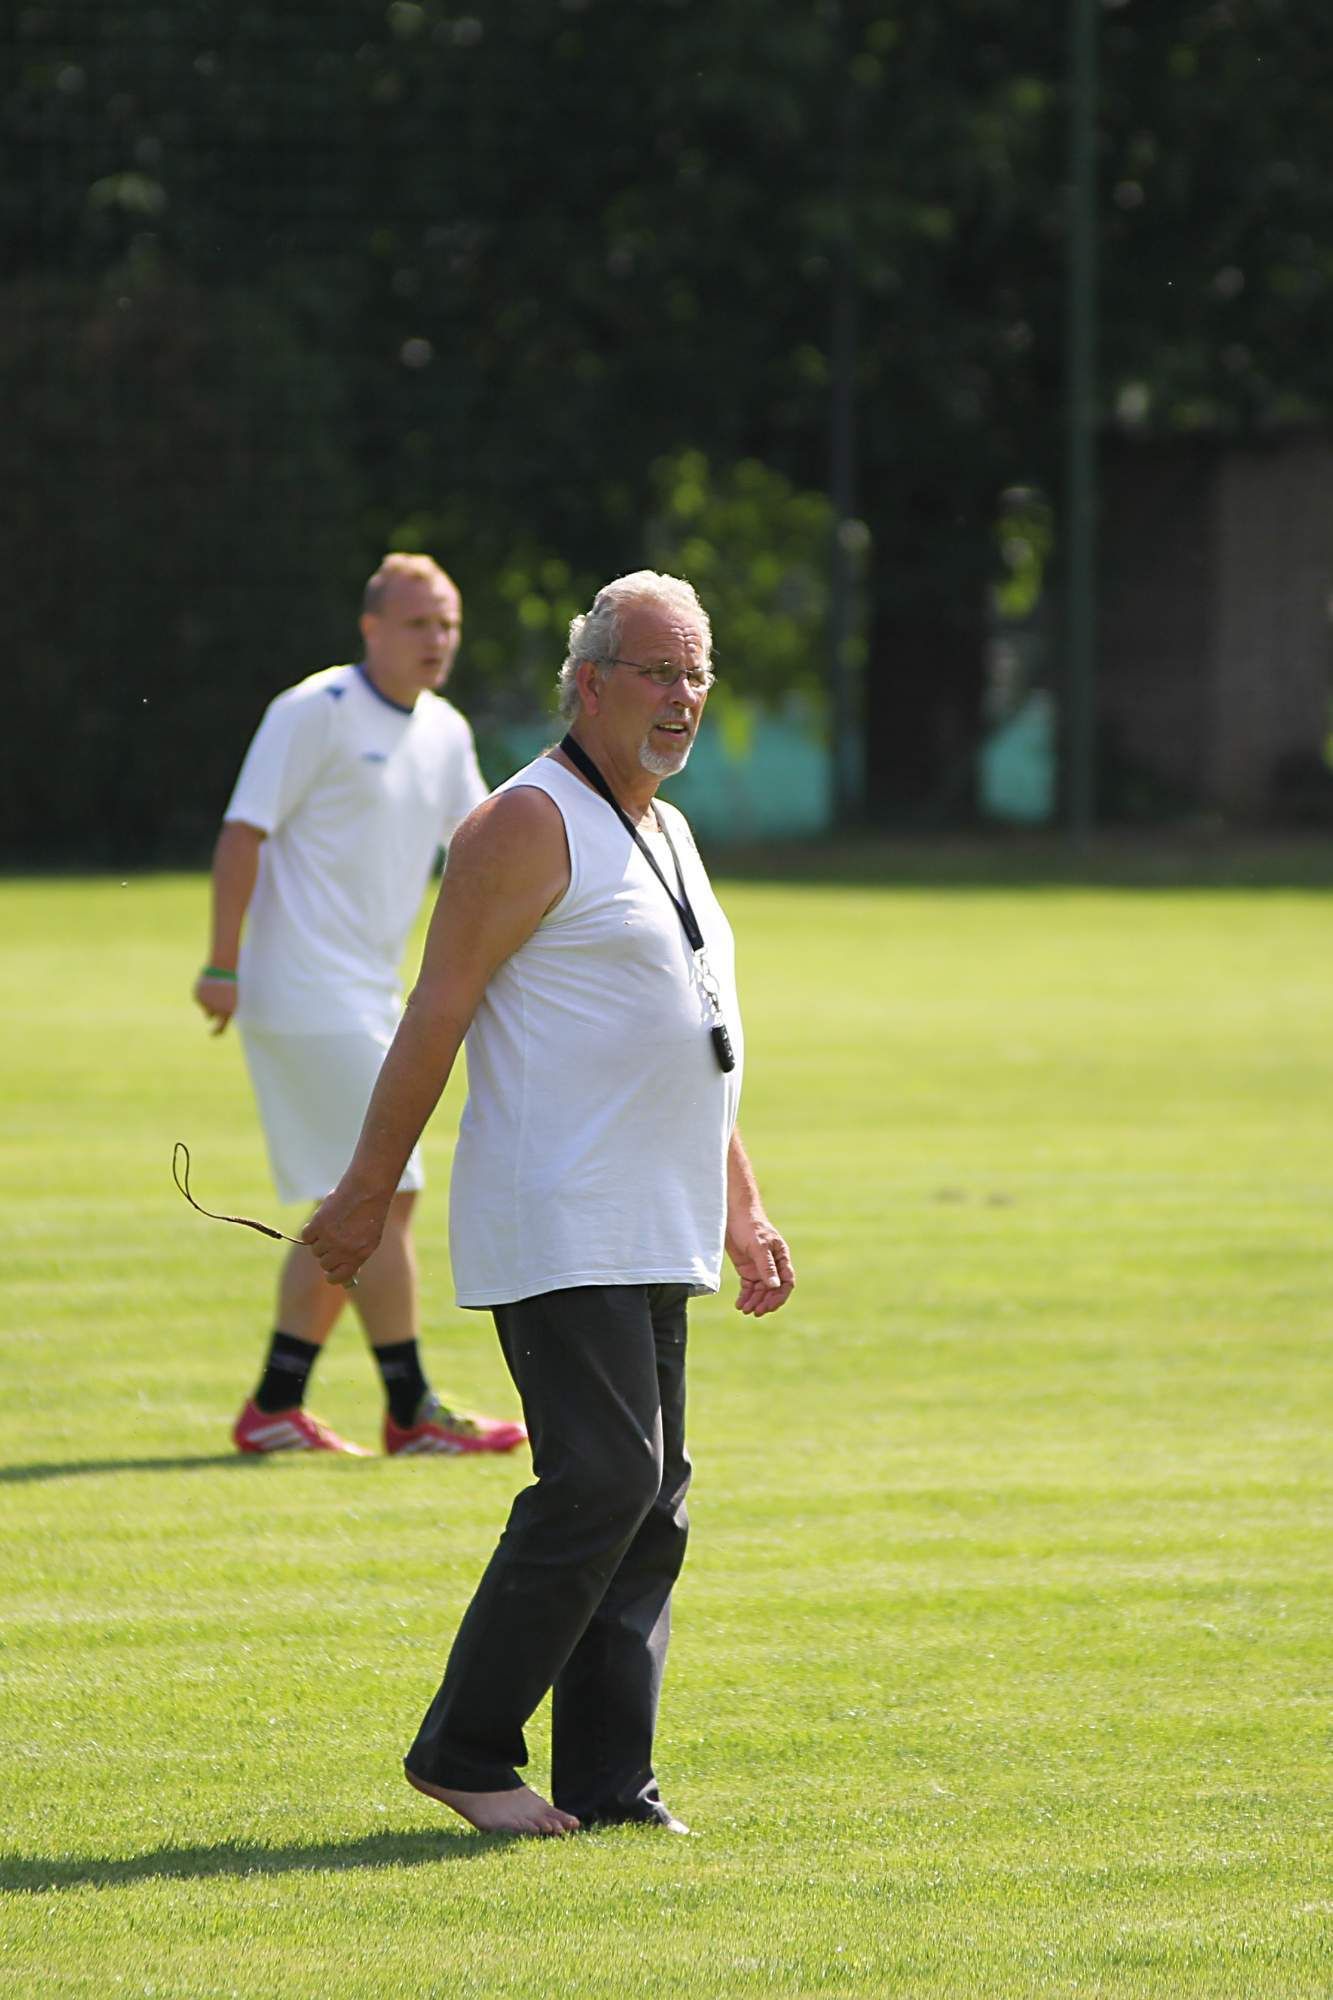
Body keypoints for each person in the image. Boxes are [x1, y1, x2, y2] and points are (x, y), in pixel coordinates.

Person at [303, 569, 795, 1836]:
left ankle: (610, 1787)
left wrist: (742, 1204)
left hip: (655, 1212)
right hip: (561, 1208)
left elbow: (698, 1034)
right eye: (657, 671)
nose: (682, 696)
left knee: (651, 1493)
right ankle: (464, 1748)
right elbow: (433, 1017)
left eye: (696, 673)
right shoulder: (523, 822)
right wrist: (362, 1195)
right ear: (588, 682)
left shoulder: (664, 828)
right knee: (604, 1477)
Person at [193, 552, 526, 1461]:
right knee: (389, 1187)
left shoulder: (445, 730)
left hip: (373, 996)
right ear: (371, 628)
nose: (436, 639)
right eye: (418, 623)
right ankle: (410, 1408)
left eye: (447, 624)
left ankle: (275, 1404)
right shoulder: (315, 709)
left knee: (356, 1200)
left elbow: (484, 853)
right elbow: (242, 833)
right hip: (300, 990)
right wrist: (222, 963)